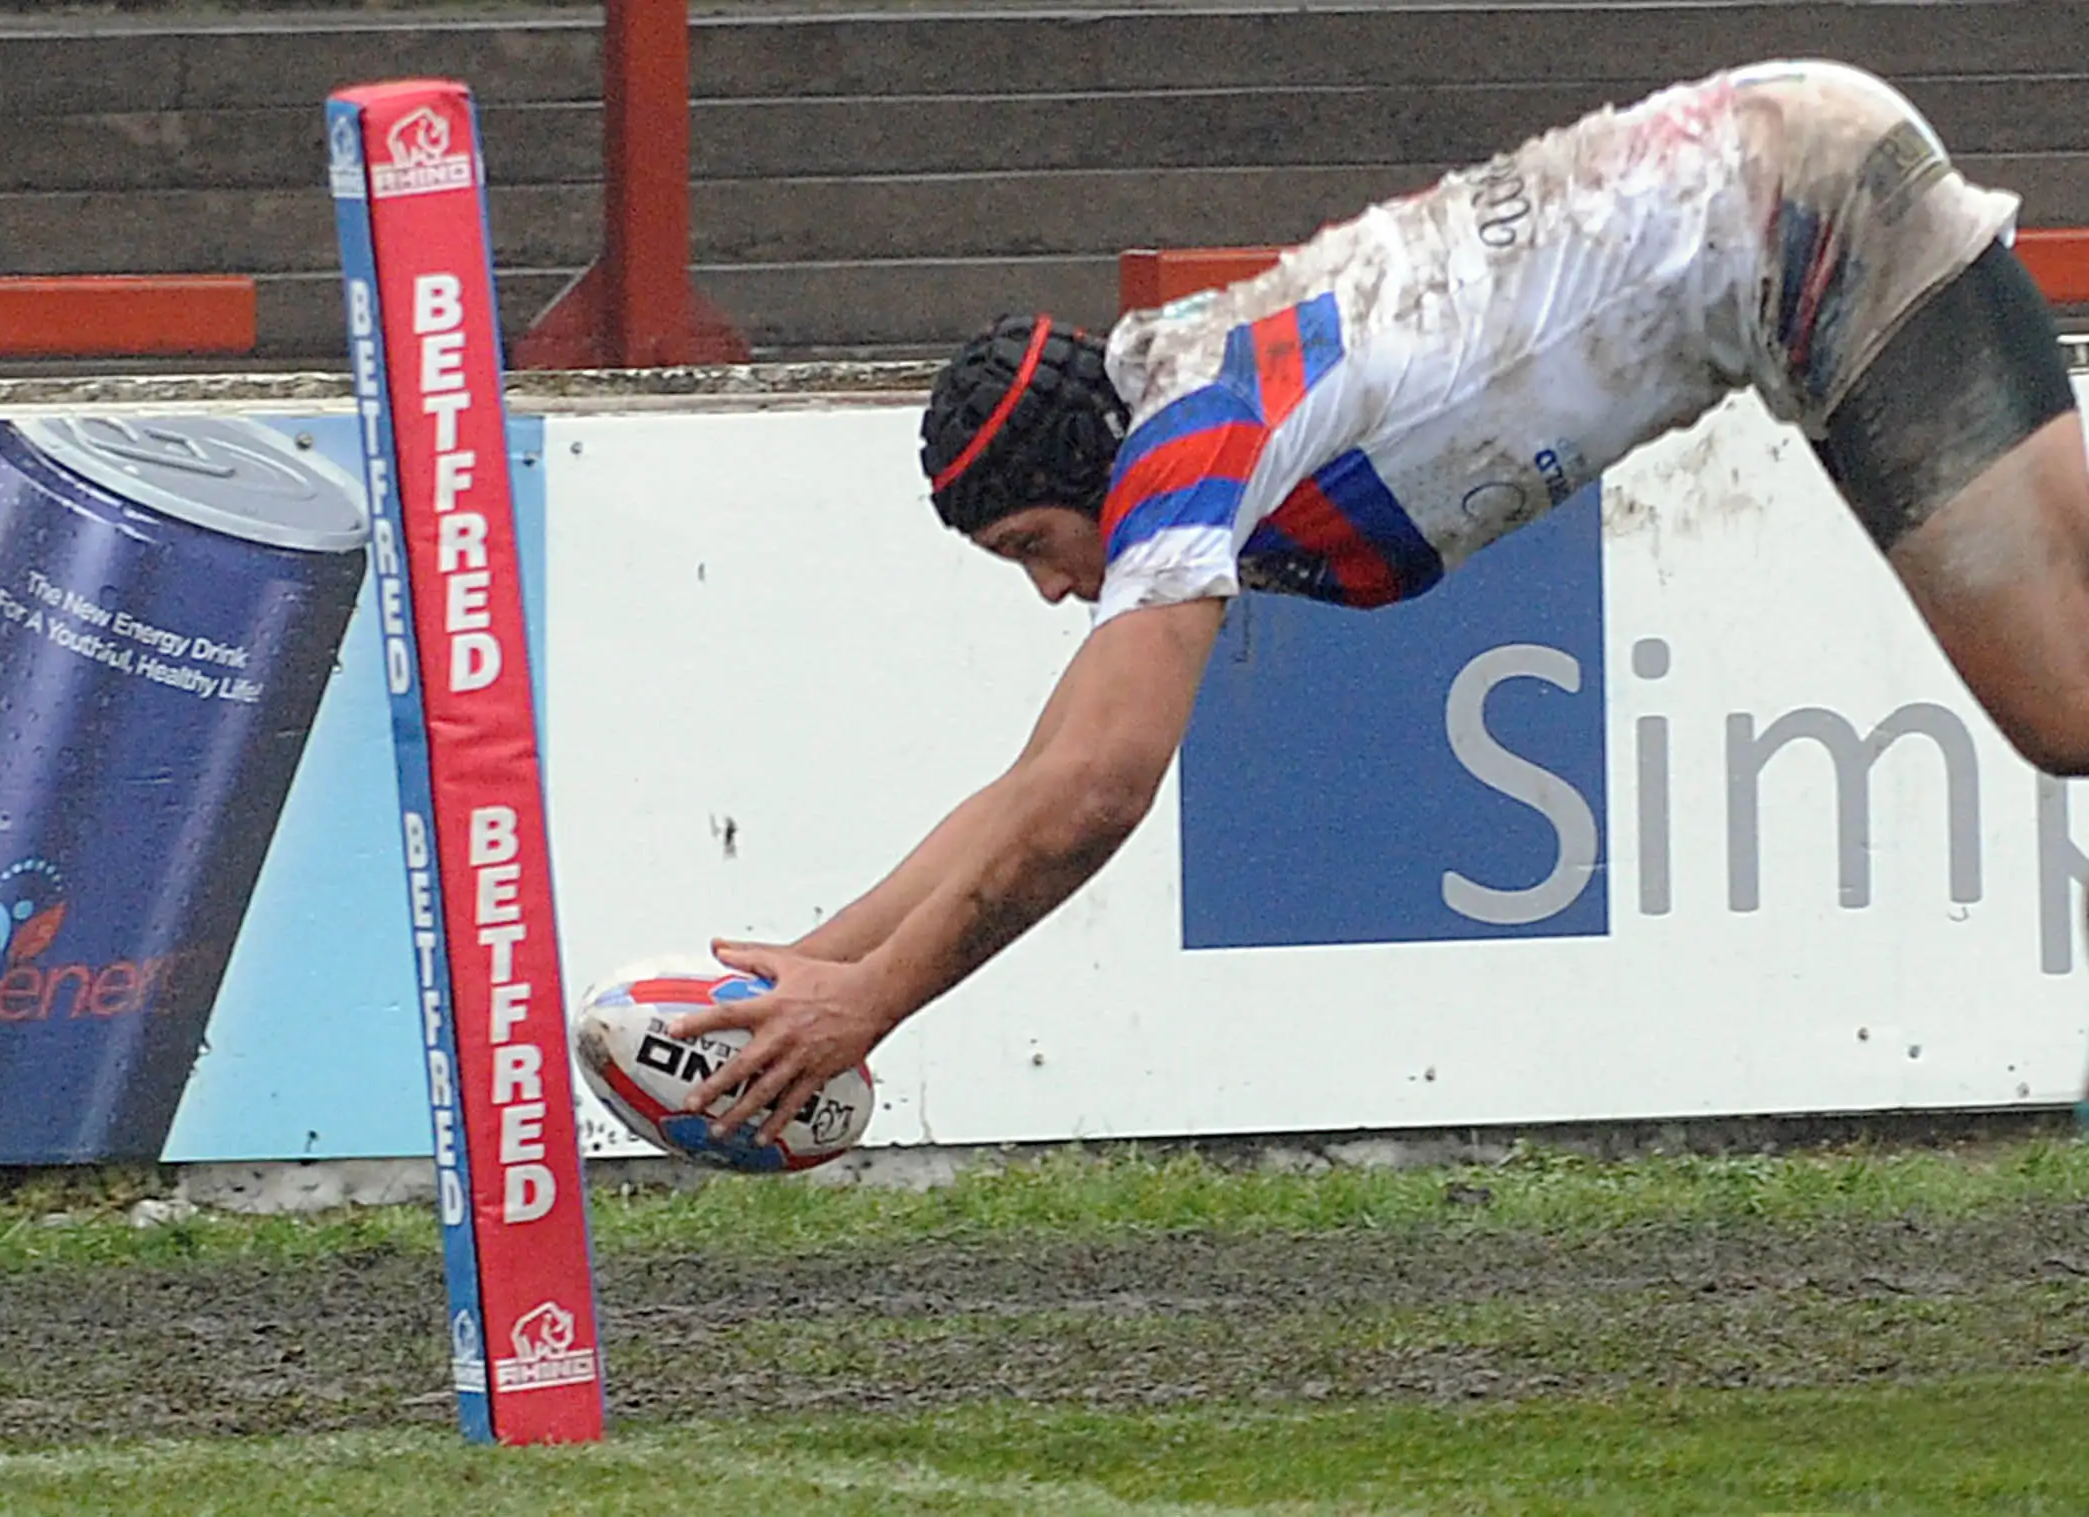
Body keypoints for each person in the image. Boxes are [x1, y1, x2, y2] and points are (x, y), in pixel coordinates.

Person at [669, 58, 2089, 1140]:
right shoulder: (1164, 405)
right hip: (1779, 177)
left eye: (1034, 545)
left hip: (1795, 210)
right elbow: (1037, 779)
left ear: (1087, 477)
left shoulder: (1183, 449)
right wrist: (809, 970)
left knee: (2066, 704)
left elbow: (1096, 792)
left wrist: (876, 1005)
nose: (1051, 589)